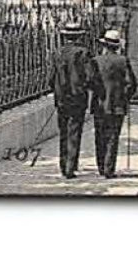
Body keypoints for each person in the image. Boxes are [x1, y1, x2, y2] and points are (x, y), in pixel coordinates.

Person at [91, 27, 138, 177]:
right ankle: (109, 169)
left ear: (104, 46)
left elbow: (91, 81)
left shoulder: (96, 61)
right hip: (117, 105)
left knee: (100, 136)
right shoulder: (122, 61)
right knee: (113, 137)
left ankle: (100, 166)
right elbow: (131, 84)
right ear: (117, 46)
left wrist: (98, 93)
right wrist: (125, 97)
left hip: (99, 104)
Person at [50, 19, 92, 178]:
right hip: (78, 98)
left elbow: (51, 77)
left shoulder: (58, 52)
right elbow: (89, 76)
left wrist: (56, 90)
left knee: (63, 132)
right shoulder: (83, 52)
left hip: (61, 98)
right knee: (74, 131)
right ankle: (70, 166)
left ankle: (63, 164)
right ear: (79, 37)